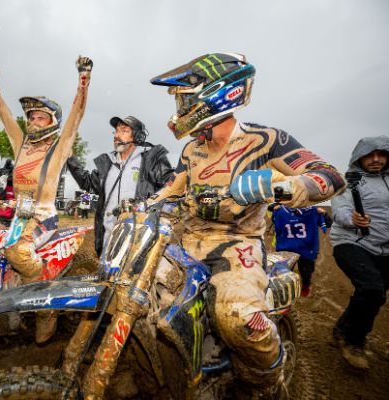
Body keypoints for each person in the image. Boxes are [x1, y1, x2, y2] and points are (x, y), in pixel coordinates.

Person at [149, 53, 345, 397]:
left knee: (237, 317)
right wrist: (146, 205)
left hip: (239, 246)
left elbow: (330, 176)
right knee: (142, 297)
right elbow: (172, 187)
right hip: (188, 244)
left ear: (216, 94)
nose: (179, 107)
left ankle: (268, 381)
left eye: (184, 98)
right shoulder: (191, 150)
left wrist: (279, 186)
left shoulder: (266, 140)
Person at [0, 55, 93, 343]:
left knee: (17, 252)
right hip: (18, 217)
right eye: (31, 117)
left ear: (53, 121)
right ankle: (3, 309)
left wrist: (84, 77)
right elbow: (3, 114)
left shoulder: (59, 148)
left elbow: (77, 115)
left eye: (39, 116)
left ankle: (46, 310)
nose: (33, 121)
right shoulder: (21, 144)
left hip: (43, 218)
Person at [67, 115, 174, 255]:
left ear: (138, 136)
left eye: (124, 131)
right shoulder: (107, 164)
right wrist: (69, 158)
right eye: (116, 131)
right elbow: (87, 182)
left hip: (138, 238)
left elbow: (171, 187)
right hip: (108, 238)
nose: (117, 135)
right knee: (107, 276)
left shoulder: (151, 160)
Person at [330, 136, 389, 370]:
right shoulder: (350, 181)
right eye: (369, 155)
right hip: (351, 242)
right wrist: (351, 219)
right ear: (359, 157)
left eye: (381, 154)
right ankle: (353, 341)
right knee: (372, 288)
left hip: (384, 248)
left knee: (371, 294)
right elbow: (340, 209)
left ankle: (342, 328)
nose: (375, 159)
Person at [269, 205, 331, 297]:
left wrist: (324, 214)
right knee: (283, 272)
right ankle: (283, 291)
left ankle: (305, 285)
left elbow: (328, 223)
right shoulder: (281, 210)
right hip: (288, 248)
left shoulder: (313, 212)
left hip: (305, 248)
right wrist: (274, 208)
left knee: (306, 271)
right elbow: (272, 213)